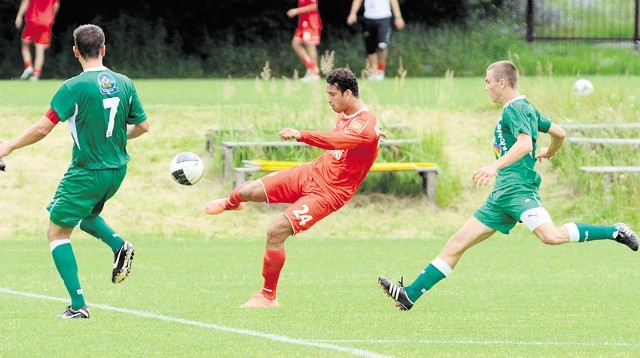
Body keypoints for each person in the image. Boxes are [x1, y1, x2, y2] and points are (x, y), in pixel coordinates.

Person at [378, 60, 639, 311]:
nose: (485, 87)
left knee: (551, 236)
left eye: (488, 82)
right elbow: (560, 132)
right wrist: (551, 151)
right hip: (501, 196)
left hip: (519, 192)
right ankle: (409, 295)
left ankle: (614, 230)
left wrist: (493, 166)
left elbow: (525, 143)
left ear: (502, 83)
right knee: (456, 244)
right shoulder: (526, 108)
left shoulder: (516, 109)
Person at [0, 24, 149, 319]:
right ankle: (119, 246)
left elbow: (44, 128)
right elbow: (143, 127)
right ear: (104, 49)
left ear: (75, 51)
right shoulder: (125, 82)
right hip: (117, 170)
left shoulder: (73, 87)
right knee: (88, 217)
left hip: (87, 171)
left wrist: (9, 146)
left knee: (56, 231)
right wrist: (116, 138)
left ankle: (78, 305)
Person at [204, 68, 383, 308]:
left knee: (275, 232)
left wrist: (301, 134)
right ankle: (231, 204)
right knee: (247, 191)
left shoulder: (366, 126)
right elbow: (347, 139)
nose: (328, 99)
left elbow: (336, 140)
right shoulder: (348, 115)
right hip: (312, 172)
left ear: (347, 93)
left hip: (328, 194)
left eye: (332, 94)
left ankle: (268, 297)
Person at [347, 0, 405, 81]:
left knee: (382, 45)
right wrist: (352, 14)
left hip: (384, 17)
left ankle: (381, 70)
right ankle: (373, 72)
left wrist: (398, 17)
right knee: (370, 48)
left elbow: (393, 1)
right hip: (368, 18)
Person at [15, 0, 60, 81]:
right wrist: (51, 17)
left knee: (25, 44)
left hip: (33, 19)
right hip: (46, 22)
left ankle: (28, 66)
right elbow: (56, 5)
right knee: (40, 50)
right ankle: (36, 74)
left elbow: (25, 2)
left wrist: (19, 16)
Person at [287, 0, 322, 82]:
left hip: (311, 22)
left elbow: (313, 6)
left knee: (310, 45)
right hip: (303, 23)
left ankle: (314, 74)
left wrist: (296, 10)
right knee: (295, 44)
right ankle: (311, 68)